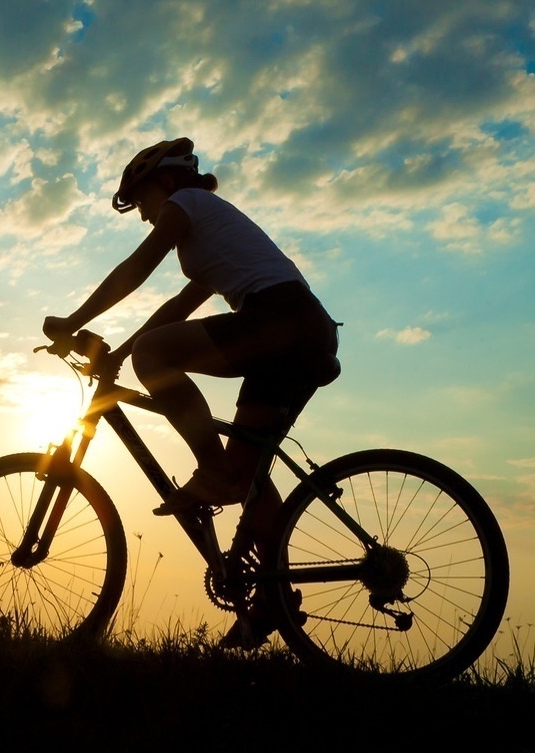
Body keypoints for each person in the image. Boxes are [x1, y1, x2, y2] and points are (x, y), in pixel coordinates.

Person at [42, 137, 339, 646]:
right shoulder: (209, 232)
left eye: (139, 202)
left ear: (164, 182)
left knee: (158, 362)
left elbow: (137, 268)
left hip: (278, 322)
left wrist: (75, 320)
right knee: (248, 477)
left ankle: (213, 470)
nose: (141, 216)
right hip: (302, 333)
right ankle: (276, 599)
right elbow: (176, 311)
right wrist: (119, 355)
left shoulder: (186, 205)